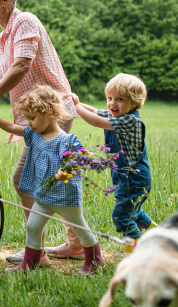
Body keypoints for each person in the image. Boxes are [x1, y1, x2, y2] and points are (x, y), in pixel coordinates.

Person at [0, 0, 82, 264]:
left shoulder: (25, 22)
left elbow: (21, 65)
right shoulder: (1, 39)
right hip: (38, 117)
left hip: (52, 113)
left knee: (28, 180)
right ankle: (71, 243)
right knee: (48, 181)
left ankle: (40, 250)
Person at [0, 85, 104, 274]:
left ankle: (95, 262)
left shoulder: (66, 140)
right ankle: (29, 264)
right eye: (27, 118)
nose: (29, 123)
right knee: (32, 226)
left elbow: (80, 161)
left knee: (80, 228)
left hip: (65, 197)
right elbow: (11, 127)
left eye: (32, 118)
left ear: (49, 112)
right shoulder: (34, 134)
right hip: (43, 194)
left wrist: (66, 172)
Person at [71, 73, 157, 240]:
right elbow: (95, 111)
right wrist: (76, 103)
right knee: (134, 213)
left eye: (120, 99)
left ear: (134, 102)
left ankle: (142, 252)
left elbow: (96, 121)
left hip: (134, 180)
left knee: (122, 218)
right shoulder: (117, 115)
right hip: (127, 178)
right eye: (109, 98)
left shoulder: (130, 120)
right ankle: (158, 234)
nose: (112, 103)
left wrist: (75, 105)